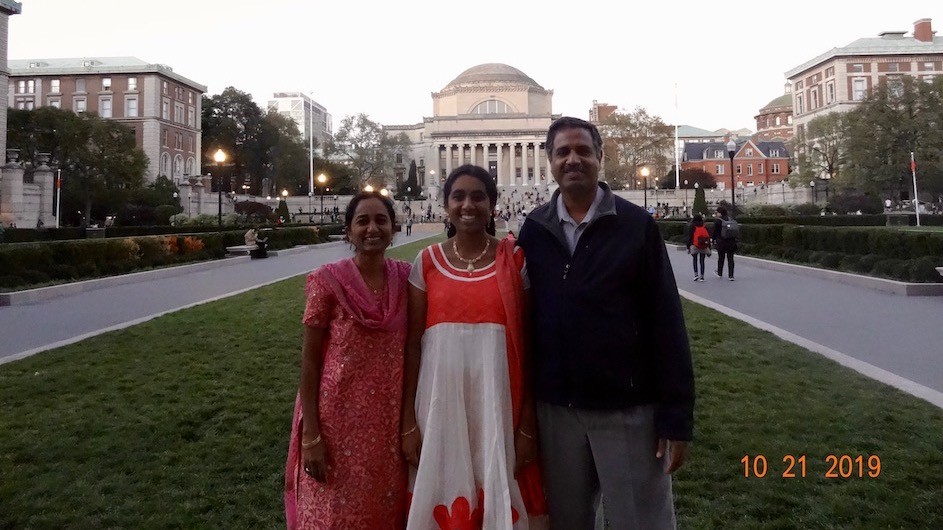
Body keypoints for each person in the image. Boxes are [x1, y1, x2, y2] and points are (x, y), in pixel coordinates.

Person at [516, 117, 694, 529]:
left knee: (641, 519)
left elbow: (666, 321)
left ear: (600, 158)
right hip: (557, 409)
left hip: (627, 407)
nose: (573, 159)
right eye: (563, 152)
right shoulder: (534, 230)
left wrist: (676, 416)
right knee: (566, 521)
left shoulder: (636, 226)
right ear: (550, 161)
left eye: (583, 151)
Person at [401, 164, 547, 529]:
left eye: (478, 196)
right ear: (446, 204)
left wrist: (527, 423)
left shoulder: (515, 262)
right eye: (458, 196)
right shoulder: (427, 263)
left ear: (493, 204)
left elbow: (528, 346)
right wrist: (407, 422)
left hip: (498, 402)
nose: (468, 204)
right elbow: (413, 346)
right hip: (440, 404)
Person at [284, 191, 411, 529]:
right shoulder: (326, 281)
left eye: (381, 220)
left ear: (394, 228)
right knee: (333, 514)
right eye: (363, 221)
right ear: (348, 231)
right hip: (334, 423)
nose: (373, 228)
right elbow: (310, 364)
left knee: (381, 512)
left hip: (386, 425)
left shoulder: (407, 279)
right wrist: (311, 435)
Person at [712, 205, 737, 281]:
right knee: (730, 259)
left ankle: (720, 273)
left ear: (720, 213)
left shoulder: (718, 221)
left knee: (721, 258)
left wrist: (713, 240)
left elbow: (714, 232)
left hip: (721, 242)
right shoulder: (730, 219)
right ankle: (731, 275)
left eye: (717, 212)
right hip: (731, 242)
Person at [686, 214, 711, 281]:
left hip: (694, 245)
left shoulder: (692, 226)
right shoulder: (704, 226)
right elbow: (708, 237)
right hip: (704, 245)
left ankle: (696, 274)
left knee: (695, 260)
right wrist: (709, 248)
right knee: (702, 261)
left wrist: (688, 247)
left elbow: (690, 237)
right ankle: (702, 276)